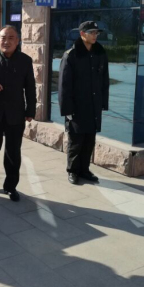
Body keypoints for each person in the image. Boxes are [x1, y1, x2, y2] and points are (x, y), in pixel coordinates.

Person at [0, 25, 36, 201]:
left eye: (11, 38)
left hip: (15, 114)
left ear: (17, 41)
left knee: (13, 153)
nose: (6, 41)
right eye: (3, 38)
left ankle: (10, 186)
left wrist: (30, 110)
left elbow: (30, 87)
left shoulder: (25, 61)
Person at [59, 21, 109, 185]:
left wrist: (103, 102)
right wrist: (67, 109)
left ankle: (84, 170)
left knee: (89, 140)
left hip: (94, 105)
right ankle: (73, 170)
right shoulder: (71, 55)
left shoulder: (100, 53)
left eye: (96, 33)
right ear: (82, 34)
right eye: (92, 32)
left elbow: (104, 79)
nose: (95, 35)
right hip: (77, 106)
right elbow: (64, 85)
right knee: (76, 140)